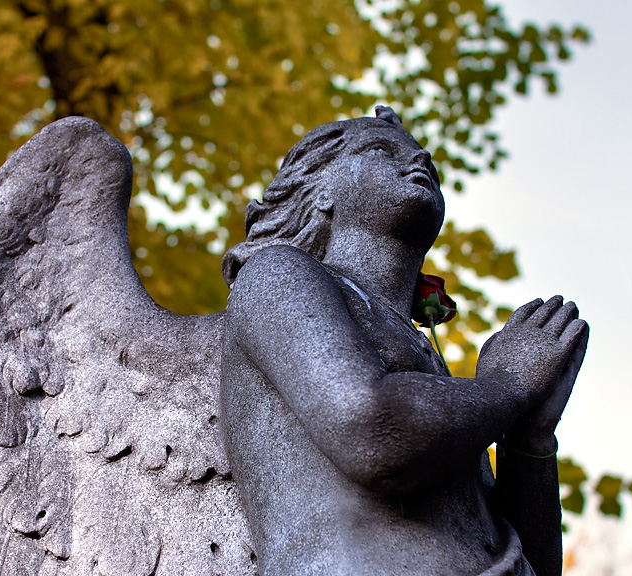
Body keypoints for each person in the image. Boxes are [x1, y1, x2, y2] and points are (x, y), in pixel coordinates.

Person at [219, 107, 587, 576]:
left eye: (425, 159)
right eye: (380, 149)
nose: (419, 157)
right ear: (322, 192)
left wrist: (528, 438)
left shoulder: (429, 359)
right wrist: (509, 384)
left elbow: (535, 565)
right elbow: (373, 431)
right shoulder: (276, 277)